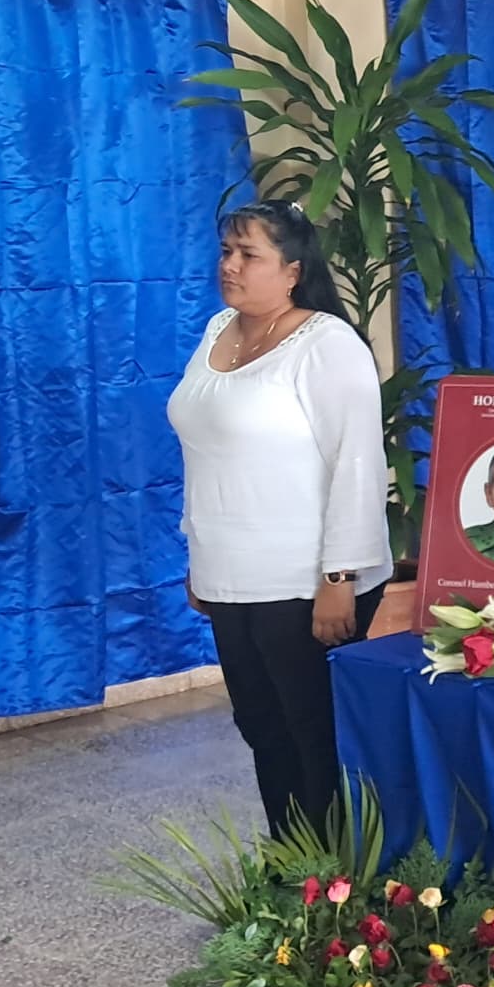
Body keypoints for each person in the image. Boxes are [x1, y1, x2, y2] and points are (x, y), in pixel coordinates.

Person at [169, 201, 389, 835]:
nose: (230, 266)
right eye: (226, 252)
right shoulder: (217, 330)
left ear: (291, 271)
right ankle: (291, 862)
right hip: (227, 573)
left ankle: (339, 884)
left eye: (249, 255)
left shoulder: (326, 343)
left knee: (312, 732)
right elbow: (203, 450)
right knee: (261, 728)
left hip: (303, 580)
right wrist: (197, 555)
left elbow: (357, 464)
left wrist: (339, 576)